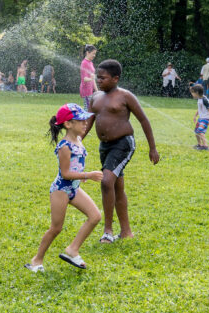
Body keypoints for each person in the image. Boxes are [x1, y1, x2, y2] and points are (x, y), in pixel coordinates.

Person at [84, 59, 160, 243]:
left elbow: (143, 120)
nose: (99, 81)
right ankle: (126, 231)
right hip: (105, 146)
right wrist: (76, 141)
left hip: (123, 144)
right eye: (97, 78)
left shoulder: (125, 96)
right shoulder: (95, 97)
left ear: (115, 78)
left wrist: (153, 148)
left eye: (103, 78)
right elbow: (88, 121)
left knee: (106, 181)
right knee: (116, 186)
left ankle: (108, 231)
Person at [27, 104, 104, 272]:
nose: (85, 123)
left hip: (74, 189)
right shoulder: (64, 146)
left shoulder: (79, 140)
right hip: (61, 190)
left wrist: (81, 176)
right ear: (68, 124)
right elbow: (66, 173)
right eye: (81, 120)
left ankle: (72, 249)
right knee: (56, 228)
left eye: (85, 119)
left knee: (95, 216)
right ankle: (36, 260)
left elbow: (75, 168)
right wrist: (87, 175)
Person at [190, 84, 209, 150]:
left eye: (192, 93)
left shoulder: (204, 100)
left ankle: (205, 146)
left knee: (200, 131)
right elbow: (199, 109)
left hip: (205, 119)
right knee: (196, 131)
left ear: (196, 93)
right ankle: (199, 144)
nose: (192, 94)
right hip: (200, 118)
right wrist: (195, 116)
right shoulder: (199, 99)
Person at [80, 45, 97, 110]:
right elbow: (84, 79)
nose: (94, 55)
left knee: (91, 108)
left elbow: (93, 79)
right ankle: (85, 120)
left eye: (95, 54)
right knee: (87, 109)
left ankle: (87, 120)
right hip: (86, 90)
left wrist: (97, 90)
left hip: (90, 90)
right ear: (87, 53)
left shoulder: (90, 63)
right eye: (93, 53)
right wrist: (91, 78)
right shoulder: (84, 63)